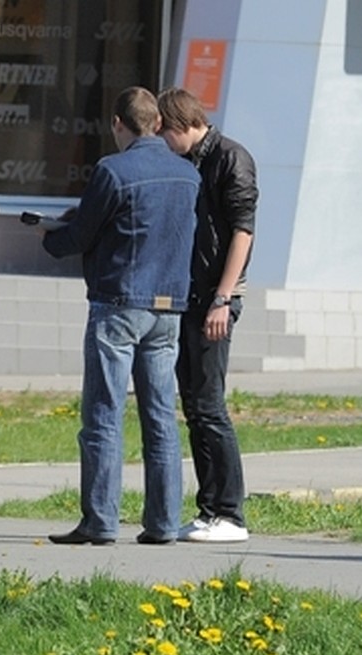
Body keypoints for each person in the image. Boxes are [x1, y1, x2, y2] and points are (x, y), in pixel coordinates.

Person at [37, 86, 200, 546]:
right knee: (161, 417)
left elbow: (83, 235)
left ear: (117, 124)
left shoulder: (113, 169)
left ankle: (100, 522)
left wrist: (49, 238)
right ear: (157, 123)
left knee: (104, 415)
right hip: (169, 308)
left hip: (118, 305)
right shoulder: (187, 175)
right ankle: (164, 523)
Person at [157, 87, 258, 543]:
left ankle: (230, 513)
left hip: (214, 299)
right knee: (195, 407)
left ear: (181, 126)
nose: (163, 143)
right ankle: (208, 509)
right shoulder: (188, 162)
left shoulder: (230, 158)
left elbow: (242, 231)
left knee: (210, 406)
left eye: (165, 133)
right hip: (189, 296)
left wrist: (222, 298)